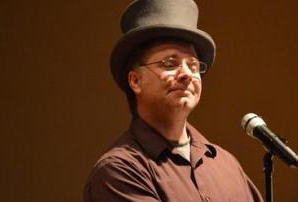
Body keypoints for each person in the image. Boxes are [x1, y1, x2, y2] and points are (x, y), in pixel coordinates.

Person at [83, 0, 263, 201]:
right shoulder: (119, 170)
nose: (187, 74)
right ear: (135, 81)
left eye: (193, 66)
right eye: (170, 63)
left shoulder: (227, 164)